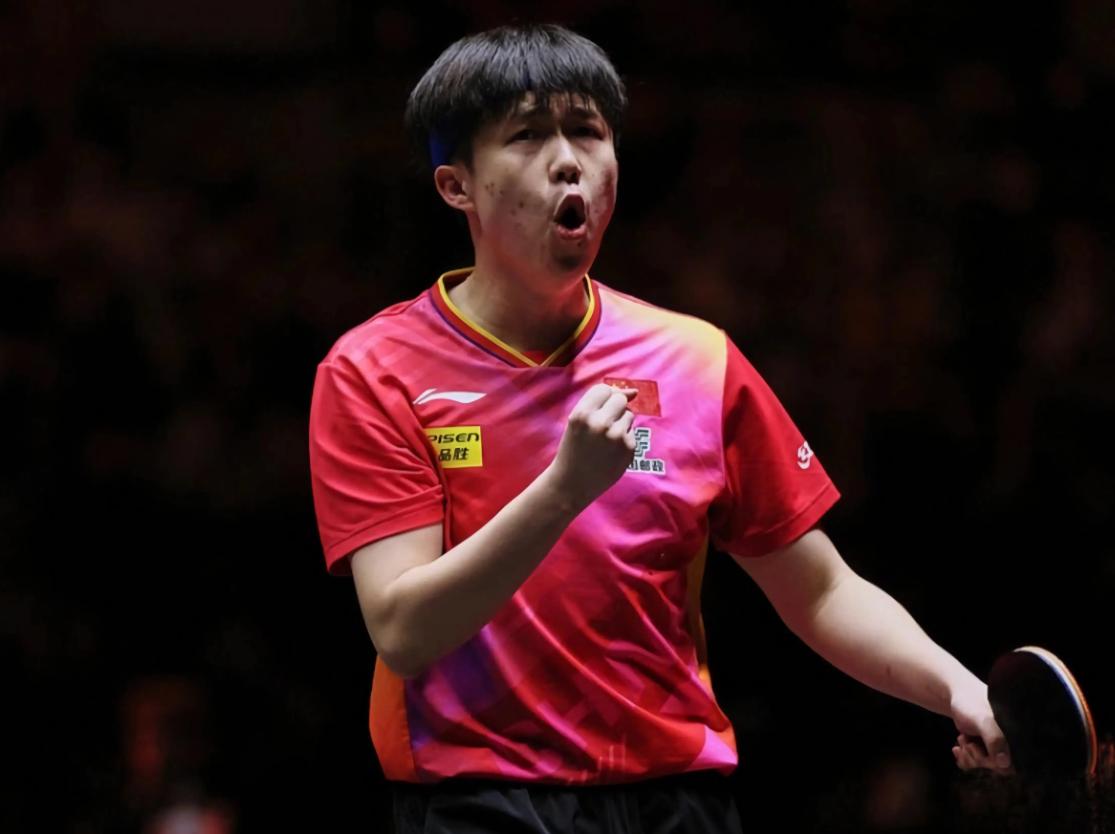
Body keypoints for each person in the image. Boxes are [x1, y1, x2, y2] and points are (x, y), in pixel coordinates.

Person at [308, 23, 1009, 833]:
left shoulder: (696, 360)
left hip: (676, 804)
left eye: (587, 131)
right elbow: (402, 628)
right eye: (527, 136)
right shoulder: (375, 370)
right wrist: (564, 490)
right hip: (478, 802)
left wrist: (957, 688)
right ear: (455, 186)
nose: (567, 160)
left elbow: (820, 591)